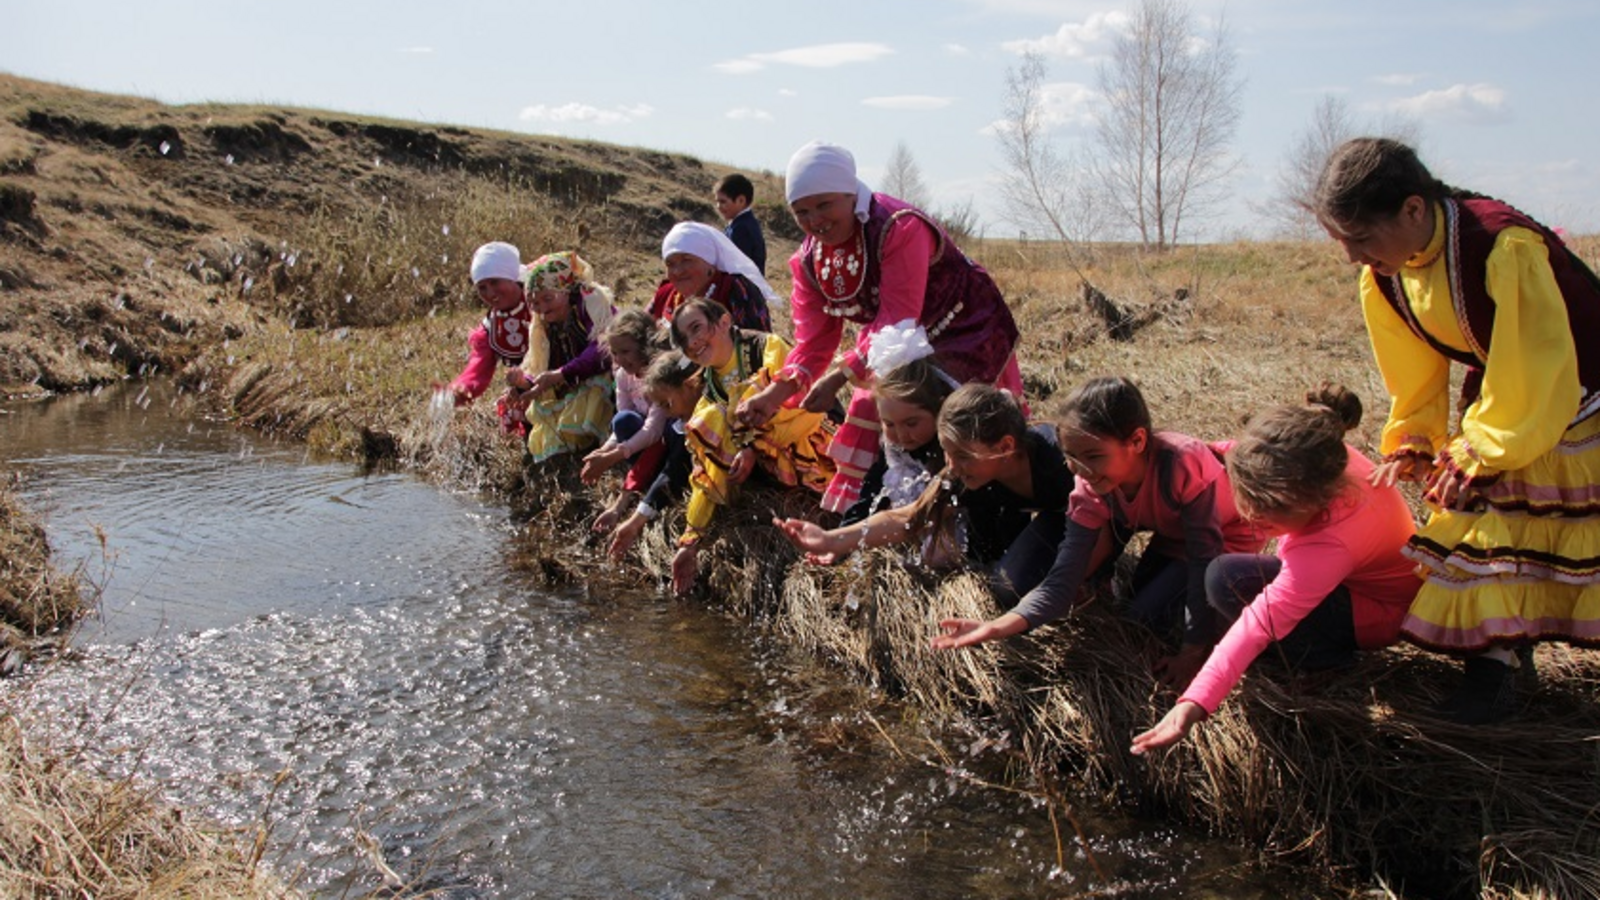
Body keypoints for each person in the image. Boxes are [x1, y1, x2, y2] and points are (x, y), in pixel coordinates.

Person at [1310, 137, 1600, 723]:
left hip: (1574, 389)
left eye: (1362, 238)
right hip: (1511, 393)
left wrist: (1479, 451)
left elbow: (1536, 362)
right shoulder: (1387, 272)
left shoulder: (1502, 246)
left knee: (1530, 519)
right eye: (1343, 241)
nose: (1352, 257)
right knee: (1480, 526)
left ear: (1413, 209)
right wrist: (1416, 437)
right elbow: (1413, 371)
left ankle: (1500, 668)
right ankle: (1495, 669)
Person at [1130, 386, 1422, 753]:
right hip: (1349, 582)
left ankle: (1322, 659)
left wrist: (1193, 703)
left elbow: (1258, 624)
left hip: (1377, 612)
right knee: (1223, 582)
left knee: (1227, 581)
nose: (1250, 516)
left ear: (1313, 498)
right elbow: (1235, 451)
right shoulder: (1311, 458)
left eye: (1266, 508)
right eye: (1247, 498)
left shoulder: (1330, 544)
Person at [742, 141, 1024, 515]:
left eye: (825, 205)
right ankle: (886, 521)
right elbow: (814, 340)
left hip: (962, 327)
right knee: (882, 418)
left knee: (960, 424)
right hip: (889, 340)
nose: (815, 221)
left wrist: (838, 378)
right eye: (801, 212)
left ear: (850, 192)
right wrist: (775, 394)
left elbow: (897, 318)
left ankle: (974, 516)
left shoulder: (898, 226)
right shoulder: (809, 261)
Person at [930, 376, 1263, 691]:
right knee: (1135, 617)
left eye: (1093, 456)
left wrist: (1192, 653)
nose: (1080, 469)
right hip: (1172, 536)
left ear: (1137, 441)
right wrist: (995, 626)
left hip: (1225, 539)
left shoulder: (1182, 464)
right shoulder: (1089, 486)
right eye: (1071, 457)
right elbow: (1061, 581)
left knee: (1149, 620)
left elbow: (1204, 558)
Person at [776, 384, 1070, 600]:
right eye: (947, 454)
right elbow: (909, 518)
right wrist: (831, 540)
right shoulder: (965, 473)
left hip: (1087, 518)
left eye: (963, 456)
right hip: (1053, 516)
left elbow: (1109, 511)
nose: (952, 466)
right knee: (1006, 588)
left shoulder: (1062, 464)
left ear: (1005, 447)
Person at [669, 297, 836, 595]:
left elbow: (791, 405)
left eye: (697, 328)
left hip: (815, 442)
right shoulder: (710, 389)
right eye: (684, 339)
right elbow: (704, 471)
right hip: (771, 468)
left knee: (726, 412)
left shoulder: (765, 347)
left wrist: (751, 446)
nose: (693, 342)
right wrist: (690, 541)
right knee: (707, 419)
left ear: (724, 322)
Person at [838, 320, 955, 530]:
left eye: (911, 423)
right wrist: (842, 537)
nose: (901, 435)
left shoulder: (955, 451)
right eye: (889, 424)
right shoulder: (893, 448)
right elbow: (870, 494)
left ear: (939, 410)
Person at [504, 251, 616, 462]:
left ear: (565, 290)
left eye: (548, 298)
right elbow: (542, 368)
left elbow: (602, 350)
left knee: (594, 388)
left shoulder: (590, 304)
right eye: (535, 303)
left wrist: (561, 374)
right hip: (570, 384)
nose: (542, 308)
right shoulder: (543, 324)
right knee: (533, 405)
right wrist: (523, 382)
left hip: (603, 378)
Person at [581, 309, 672, 534]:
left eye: (626, 351)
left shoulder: (659, 375)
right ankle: (638, 483)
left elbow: (654, 430)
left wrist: (614, 456)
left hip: (666, 441)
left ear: (645, 347)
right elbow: (621, 420)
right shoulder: (623, 375)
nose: (620, 359)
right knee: (622, 421)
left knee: (661, 435)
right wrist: (602, 452)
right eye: (614, 353)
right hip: (642, 439)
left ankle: (634, 492)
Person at [604, 349, 698, 561]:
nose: (668, 412)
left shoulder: (714, 415)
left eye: (667, 404)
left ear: (690, 385)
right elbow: (671, 471)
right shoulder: (677, 425)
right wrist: (636, 519)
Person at [447, 242, 531, 432]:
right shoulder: (491, 328)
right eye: (482, 287)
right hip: (528, 394)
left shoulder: (543, 301)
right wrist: (461, 390)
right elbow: (479, 367)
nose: (490, 293)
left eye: (495, 282)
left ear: (511, 277)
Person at [650, 221, 774, 333]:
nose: (677, 271)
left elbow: (757, 345)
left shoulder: (735, 289)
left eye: (687, 260)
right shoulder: (666, 294)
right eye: (670, 264)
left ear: (709, 262)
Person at [715, 172, 767, 275]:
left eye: (723, 202)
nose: (718, 206)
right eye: (717, 201)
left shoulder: (741, 229)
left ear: (741, 200)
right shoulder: (742, 223)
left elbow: (735, 267)